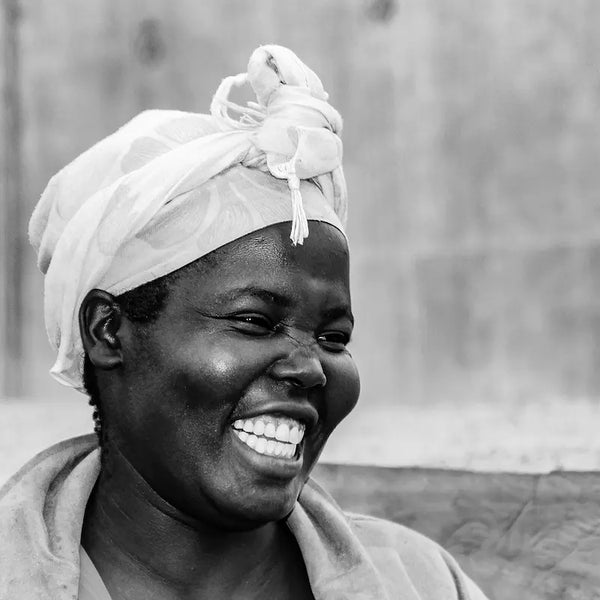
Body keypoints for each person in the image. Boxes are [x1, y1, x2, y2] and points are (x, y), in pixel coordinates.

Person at [0, 45, 488, 599]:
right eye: (255, 321)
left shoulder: (420, 582)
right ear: (108, 330)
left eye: (334, 337)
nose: (310, 368)